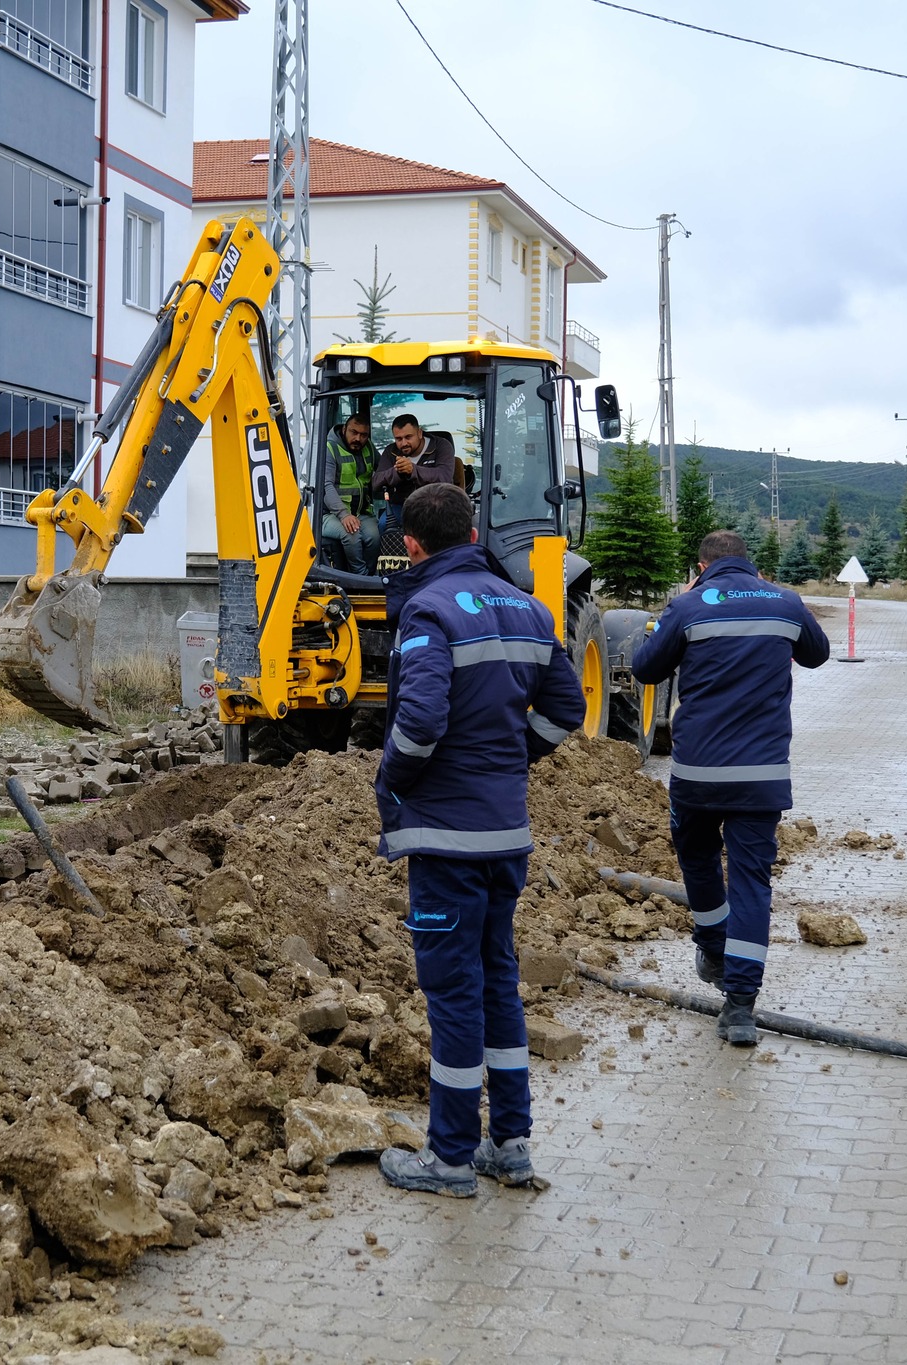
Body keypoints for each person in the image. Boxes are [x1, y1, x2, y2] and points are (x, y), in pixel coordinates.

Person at [373, 483, 586, 1197]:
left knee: (454, 992)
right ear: (471, 530)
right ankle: (511, 1144)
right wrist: (513, 757)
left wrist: (392, 779)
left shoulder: (428, 610)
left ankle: (452, 1158)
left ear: (411, 544)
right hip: (506, 836)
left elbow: (423, 718)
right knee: (498, 979)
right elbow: (567, 707)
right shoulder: (528, 606)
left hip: (447, 838)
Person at [632, 528, 830, 1046]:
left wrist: (655, 634)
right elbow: (817, 655)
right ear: (751, 565)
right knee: (752, 883)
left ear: (701, 566)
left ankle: (715, 948)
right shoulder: (785, 603)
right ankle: (739, 1008)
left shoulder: (689, 605)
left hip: (697, 773)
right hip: (762, 777)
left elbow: (644, 669)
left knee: (697, 856)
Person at [370, 416, 461, 540]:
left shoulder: (441, 446)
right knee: (383, 524)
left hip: (437, 505)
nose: (403, 443)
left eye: (408, 437)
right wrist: (398, 471)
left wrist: (413, 470)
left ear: (419, 433)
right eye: (398, 439)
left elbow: (444, 476)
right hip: (401, 505)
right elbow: (376, 483)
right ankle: (389, 558)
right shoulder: (391, 451)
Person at [320, 414, 380, 573]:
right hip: (329, 515)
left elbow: (383, 471)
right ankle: (358, 577)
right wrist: (343, 514)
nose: (358, 439)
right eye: (354, 432)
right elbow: (326, 485)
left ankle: (370, 574)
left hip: (361, 513)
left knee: (374, 537)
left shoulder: (369, 448)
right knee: (351, 535)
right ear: (344, 429)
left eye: (363, 435)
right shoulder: (330, 449)